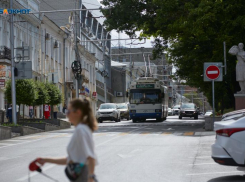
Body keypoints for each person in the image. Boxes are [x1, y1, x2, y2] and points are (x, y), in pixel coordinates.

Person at [36, 98, 98, 182]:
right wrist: (46, 160)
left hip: (83, 177)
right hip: (79, 175)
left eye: (68, 111)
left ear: (78, 112)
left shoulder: (81, 130)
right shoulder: (81, 129)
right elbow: (70, 159)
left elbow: (91, 157)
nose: (66, 115)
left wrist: (91, 177)